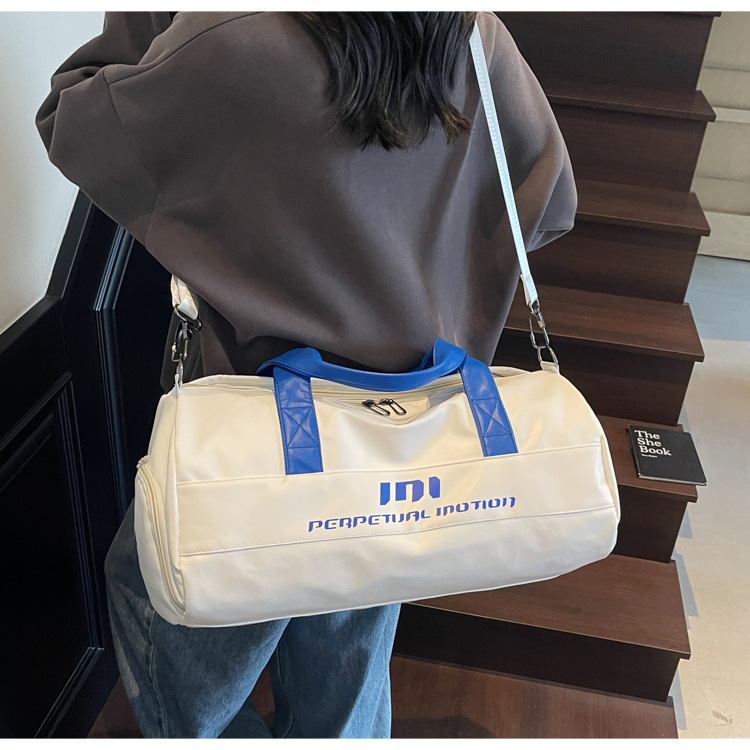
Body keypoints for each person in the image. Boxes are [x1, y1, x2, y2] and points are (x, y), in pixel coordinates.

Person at [36, 11, 576, 738]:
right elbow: (550, 207)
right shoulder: (469, 33)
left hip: (256, 438)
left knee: (159, 606)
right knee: (347, 645)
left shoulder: (229, 39)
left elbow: (71, 118)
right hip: (412, 434)